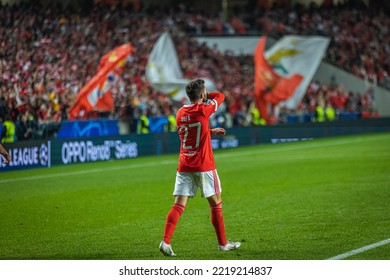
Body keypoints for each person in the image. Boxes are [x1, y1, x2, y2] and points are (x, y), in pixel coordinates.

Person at [159, 79, 241, 257]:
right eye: (204, 92)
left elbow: (190, 131)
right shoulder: (203, 109)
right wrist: (205, 95)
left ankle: (165, 241)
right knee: (216, 204)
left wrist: (210, 132)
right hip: (204, 165)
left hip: (184, 165)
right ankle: (223, 243)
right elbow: (221, 96)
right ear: (202, 94)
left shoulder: (180, 112)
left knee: (179, 205)